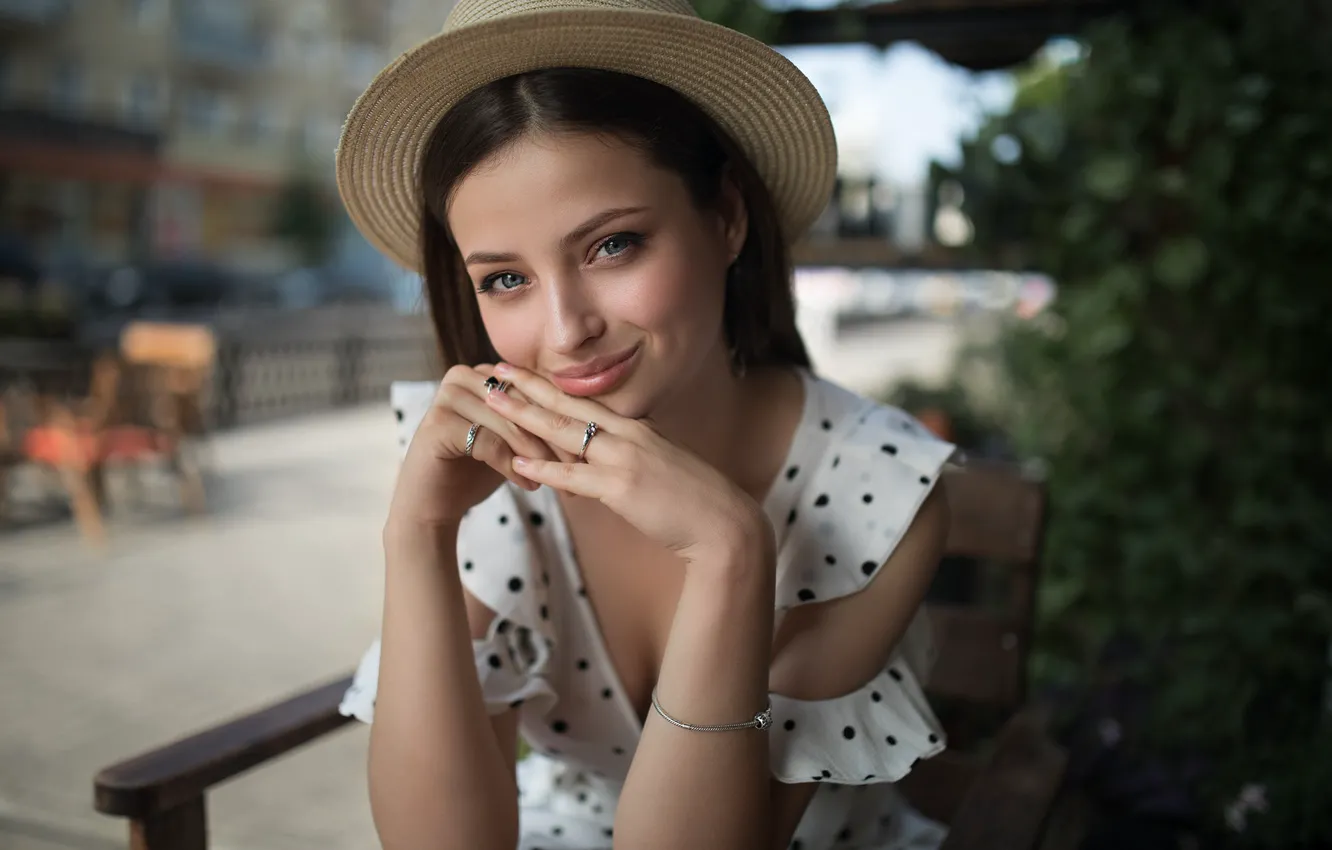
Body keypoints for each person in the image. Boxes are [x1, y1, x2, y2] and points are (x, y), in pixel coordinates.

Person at [334, 0, 958, 847]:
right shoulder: (499, 482)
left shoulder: (876, 492)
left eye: (612, 245)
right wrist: (417, 529)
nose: (564, 332)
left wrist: (731, 551)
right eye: (505, 280)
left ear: (727, 217)